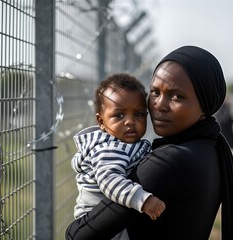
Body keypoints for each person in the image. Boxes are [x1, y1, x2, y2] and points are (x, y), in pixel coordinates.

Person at [66, 46, 233, 240]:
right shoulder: (210, 147)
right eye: (155, 92)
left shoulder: (169, 161)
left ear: (205, 104)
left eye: (177, 96)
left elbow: (78, 236)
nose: (159, 105)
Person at [71, 73, 166, 238]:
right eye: (119, 115)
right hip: (96, 219)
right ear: (101, 122)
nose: (130, 121)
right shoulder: (109, 148)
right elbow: (109, 180)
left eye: (138, 114)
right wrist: (142, 199)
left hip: (112, 214)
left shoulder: (124, 143)